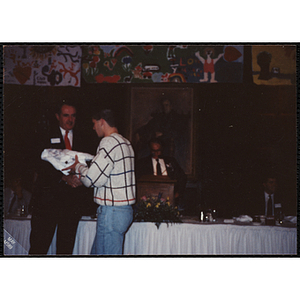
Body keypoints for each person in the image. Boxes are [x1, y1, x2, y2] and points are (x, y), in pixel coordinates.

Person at [63, 109, 136, 255]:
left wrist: (77, 166)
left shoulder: (108, 142)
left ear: (101, 122)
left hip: (112, 212)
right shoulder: (125, 142)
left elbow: (92, 179)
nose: (93, 127)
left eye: (94, 123)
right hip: (124, 210)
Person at [29, 99, 95, 255]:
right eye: (66, 115)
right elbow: (38, 164)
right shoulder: (44, 135)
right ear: (57, 116)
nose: (70, 119)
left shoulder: (84, 137)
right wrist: (64, 178)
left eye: (73, 115)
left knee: (65, 251)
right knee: (39, 248)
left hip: (71, 204)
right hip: (47, 202)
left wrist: (81, 179)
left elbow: (90, 163)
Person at [136, 137, 187, 208]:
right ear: (150, 150)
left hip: (169, 198)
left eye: (158, 150)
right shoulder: (142, 163)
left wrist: (178, 193)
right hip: (149, 200)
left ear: (162, 149)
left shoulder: (171, 161)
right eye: (153, 151)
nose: (156, 153)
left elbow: (182, 177)